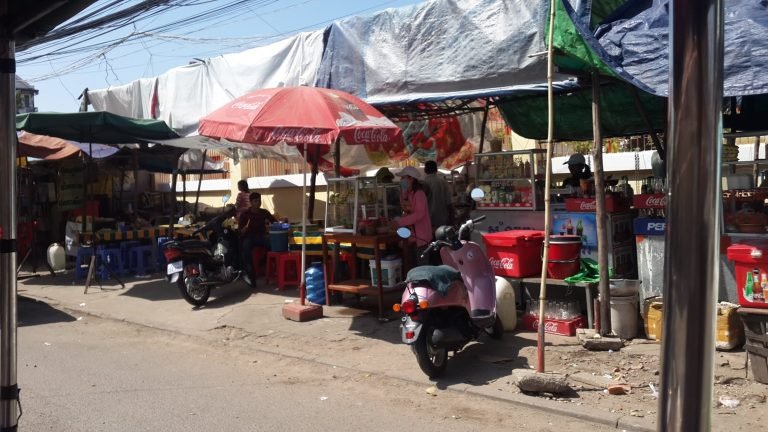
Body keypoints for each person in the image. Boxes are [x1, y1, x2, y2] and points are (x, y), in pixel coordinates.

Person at [392, 166, 433, 267]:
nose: (401, 180)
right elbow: (406, 211)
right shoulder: (409, 194)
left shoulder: (419, 194)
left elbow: (419, 214)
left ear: (411, 178)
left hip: (422, 238)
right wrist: (404, 193)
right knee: (414, 265)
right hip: (413, 237)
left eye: (403, 178)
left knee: (422, 267)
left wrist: (400, 222)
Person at [239, 192, 277, 286]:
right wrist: (243, 230)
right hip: (249, 237)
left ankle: (263, 263)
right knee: (246, 251)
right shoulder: (245, 214)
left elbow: (274, 222)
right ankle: (251, 277)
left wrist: (281, 222)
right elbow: (240, 231)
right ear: (251, 202)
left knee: (274, 246)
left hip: (261, 236)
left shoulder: (264, 212)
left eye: (259, 200)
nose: (258, 202)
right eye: (255, 201)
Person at [422, 160, 452, 229]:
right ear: (436, 170)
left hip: (428, 219)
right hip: (442, 219)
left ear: (425, 170)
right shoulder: (443, 182)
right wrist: (451, 217)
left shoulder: (423, 183)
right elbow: (449, 202)